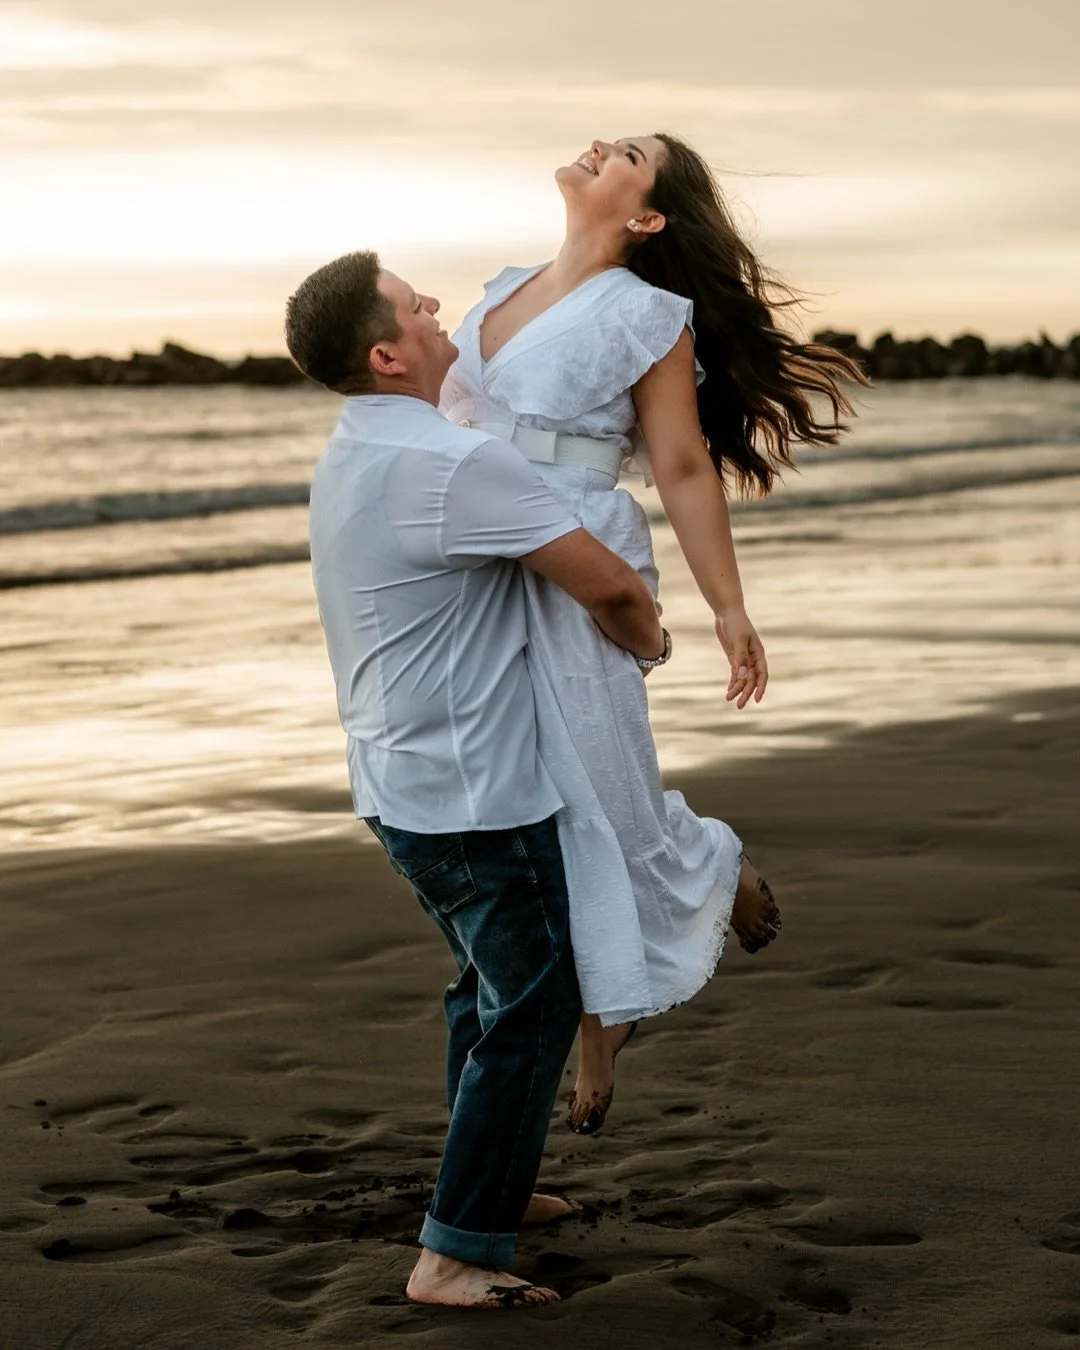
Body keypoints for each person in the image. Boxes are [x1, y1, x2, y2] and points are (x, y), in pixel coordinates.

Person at [441, 133, 865, 1134]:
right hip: (477, 561)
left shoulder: (648, 314)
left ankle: (606, 1005)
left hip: (578, 552)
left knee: (596, 775)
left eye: (628, 152)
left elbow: (678, 464)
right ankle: (706, 877)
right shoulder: (499, 288)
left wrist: (727, 605)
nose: (598, 144)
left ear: (648, 218)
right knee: (516, 788)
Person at [286, 251, 666, 1309]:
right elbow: (612, 586)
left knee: (487, 990)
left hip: (393, 777)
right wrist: (652, 643)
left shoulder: (356, 450)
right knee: (538, 1003)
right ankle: (454, 1255)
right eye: (416, 306)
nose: (435, 307)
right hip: (472, 789)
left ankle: (492, 1187)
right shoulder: (457, 467)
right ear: (388, 352)